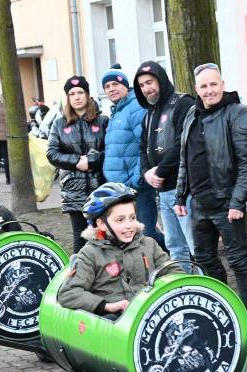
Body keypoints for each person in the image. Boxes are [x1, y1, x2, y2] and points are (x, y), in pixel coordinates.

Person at [175, 62, 247, 334]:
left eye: (213, 84)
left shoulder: (239, 114)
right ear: (196, 89)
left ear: (222, 85)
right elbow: (185, 159)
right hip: (198, 203)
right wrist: (180, 195)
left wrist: (238, 202)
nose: (209, 90)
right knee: (203, 258)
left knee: (239, 261)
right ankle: (223, 309)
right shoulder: (192, 114)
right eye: (204, 86)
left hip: (227, 204)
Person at [58, 183, 177, 317]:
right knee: (111, 318)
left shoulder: (149, 244)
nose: (129, 225)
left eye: (132, 218)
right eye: (120, 220)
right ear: (102, 224)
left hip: (149, 313)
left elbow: (174, 272)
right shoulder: (90, 254)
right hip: (116, 320)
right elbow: (68, 293)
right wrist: (107, 306)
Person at [134, 60, 196, 270]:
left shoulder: (183, 104)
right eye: (142, 85)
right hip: (162, 191)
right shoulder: (149, 114)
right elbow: (143, 148)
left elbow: (183, 143)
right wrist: (146, 173)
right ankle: (185, 284)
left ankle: (205, 286)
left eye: (149, 82)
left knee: (196, 246)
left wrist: (159, 171)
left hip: (185, 190)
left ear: (160, 79)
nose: (146, 89)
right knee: (175, 246)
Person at [100, 64, 164, 250]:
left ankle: (178, 259)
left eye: (115, 84)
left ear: (125, 86)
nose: (111, 89)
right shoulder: (117, 111)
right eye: (107, 86)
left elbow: (146, 144)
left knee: (146, 233)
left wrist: (138, 177)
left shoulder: (135, 107)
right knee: (135, 234)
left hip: (136, 186)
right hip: (122, 188)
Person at [47, 75, 109, 253]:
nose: (76, 97)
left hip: (100, 185)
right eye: (72, 93)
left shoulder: (103, 121)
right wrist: (77, 161)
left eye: (80, 92)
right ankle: (80, 270)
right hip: (73, 188)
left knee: (103, 235)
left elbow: (111, 150)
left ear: (87, 95)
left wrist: (91, 161)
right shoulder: (59, 124)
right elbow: (52, 153)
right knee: (80, 239)